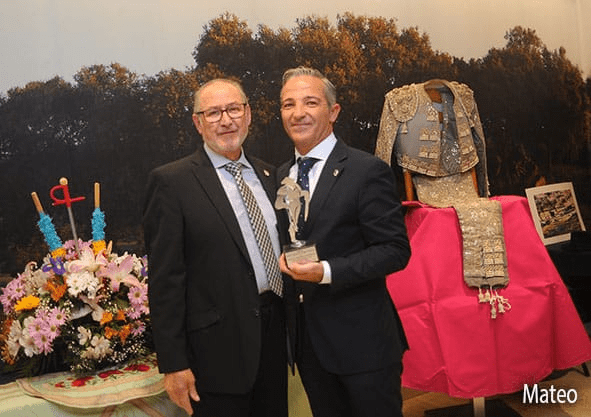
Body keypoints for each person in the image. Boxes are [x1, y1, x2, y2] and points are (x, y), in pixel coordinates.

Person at [143, 78, 288, 417]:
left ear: (248, 114)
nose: (226, 120)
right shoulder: (172, 182)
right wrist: (173, 363)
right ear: (198, 122)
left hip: (274, 340)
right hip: (215, 356)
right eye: (213, 113)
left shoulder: (271, 175)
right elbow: (165, 281)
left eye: (234, 109)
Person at [277, 66, 411, 417]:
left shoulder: (366, 171)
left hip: (363, 345)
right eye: (288, 104)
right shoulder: (281, 175)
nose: (298, 113)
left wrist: (325, 271)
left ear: (333, 111)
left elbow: (395, 250)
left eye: (310, 102)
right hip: (309, 348)